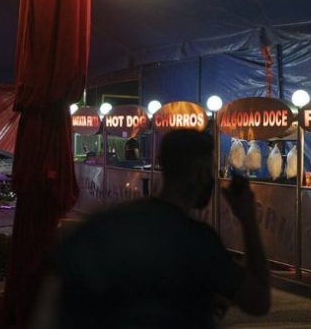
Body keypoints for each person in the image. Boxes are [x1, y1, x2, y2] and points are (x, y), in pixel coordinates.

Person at [54, 129, 270, 328]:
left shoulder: (105, 226)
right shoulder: (198, 242)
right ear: (200, 174)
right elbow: (258, 301)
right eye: (210, 170)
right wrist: (248, 221)